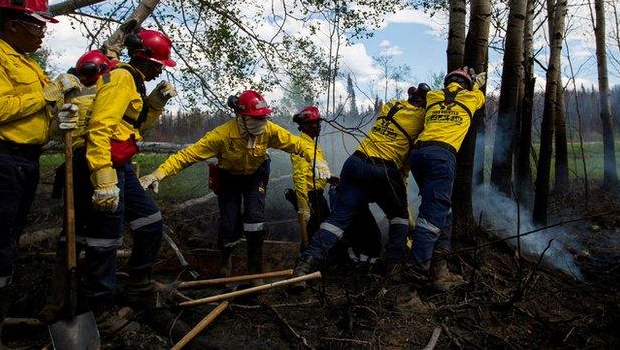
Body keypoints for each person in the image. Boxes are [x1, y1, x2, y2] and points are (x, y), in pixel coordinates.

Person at [0, 0, 79, 349]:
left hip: (22, 162)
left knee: (7, 246)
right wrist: (47, 94)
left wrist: (60, 119)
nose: (43, 32)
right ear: (13, 24)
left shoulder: (27, 64)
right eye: (37, 24)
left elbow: (35, 115)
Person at [139, 90, 317, 278]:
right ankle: (226, 262)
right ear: (240, 117)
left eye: (264, 117)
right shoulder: (221, 135)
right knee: (229, 223)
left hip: (255, 175)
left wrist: (316, 160)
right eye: (256, 118)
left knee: (255, 219)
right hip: (229, 177)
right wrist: (159, 174)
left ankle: (254, 271)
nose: (261, 123)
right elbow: (187, 156)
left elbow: (298, 144)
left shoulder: (270, 129)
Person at [70, 29, 178, 317]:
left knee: (150, 221)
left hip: (121, 163)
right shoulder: (120, 79)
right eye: (158, 65)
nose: (160, 71)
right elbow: (99, 129)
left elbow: (132, 128)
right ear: (145, 60)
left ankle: (138, 284)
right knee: (105, 238)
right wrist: (103, 177)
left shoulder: (135, 82)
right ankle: (100, 310)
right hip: (102, 162)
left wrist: (154, 105)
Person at [293, 83, 430, 276]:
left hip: (355, 163)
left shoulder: (390, 106)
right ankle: (394, 266)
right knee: (399, 218)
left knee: (336, 221)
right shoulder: (422, 117)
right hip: (384, 168)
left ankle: (305, 264)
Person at [407, 67, 486, 292]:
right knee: (431, 217)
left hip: (418, 155)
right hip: (441, 156)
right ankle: (411, 283)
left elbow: (431, 94)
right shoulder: (473, 97)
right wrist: (476, 83)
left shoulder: (433, 96)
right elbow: (478, 94)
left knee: (444, 212)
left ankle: (440, 270)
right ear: (466, 84)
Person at [284, 106, 332, 245]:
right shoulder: (300, 145)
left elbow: (313, 171)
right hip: (311, 197)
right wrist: (304, 206)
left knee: (322, 233)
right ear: (304, 126)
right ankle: (306, 264)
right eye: (314, 123)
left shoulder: (313, 145)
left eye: (318, 123)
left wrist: (329, 178)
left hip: (317, 195)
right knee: (314, 236)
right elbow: (299, 177)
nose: (318, 126)